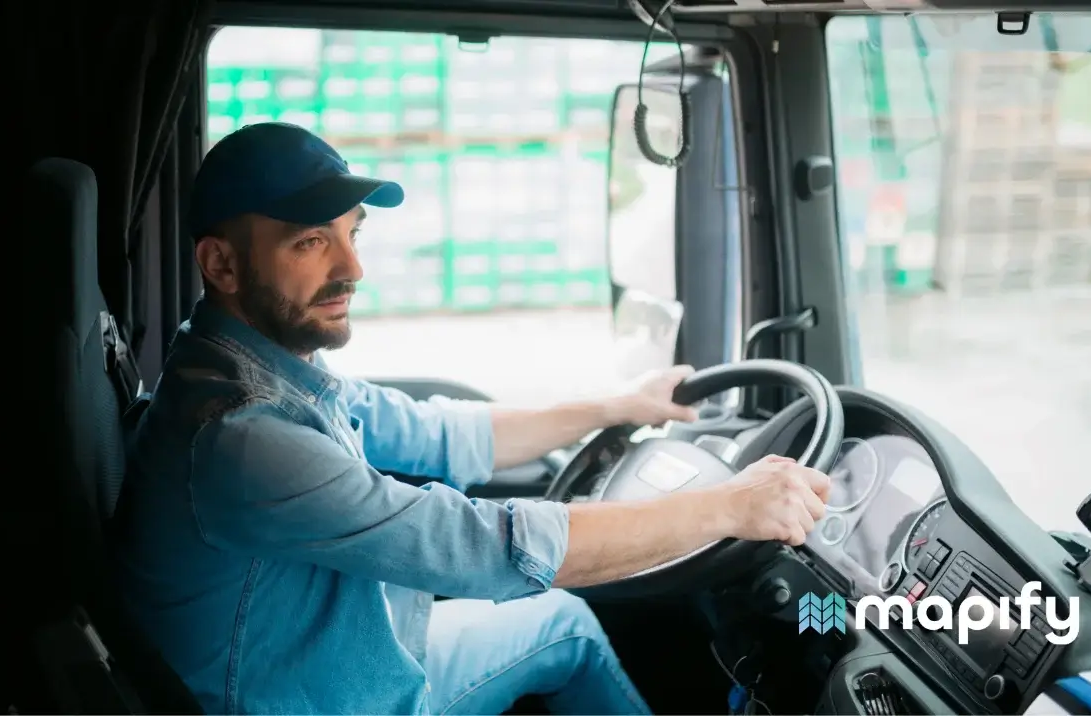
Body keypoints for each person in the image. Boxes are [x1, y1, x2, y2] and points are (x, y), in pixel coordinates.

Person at [111, 121, 831, 716]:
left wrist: (620, 406)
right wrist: (728, 509)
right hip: (305, 701)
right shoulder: (242, 437)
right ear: (222, 265)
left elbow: (437, 430)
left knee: (563, 623)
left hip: (331, 663)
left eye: (352, 234)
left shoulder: (251, 367)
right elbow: (482, 548)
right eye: (310, 243)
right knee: (562, 618)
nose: (352, 267)